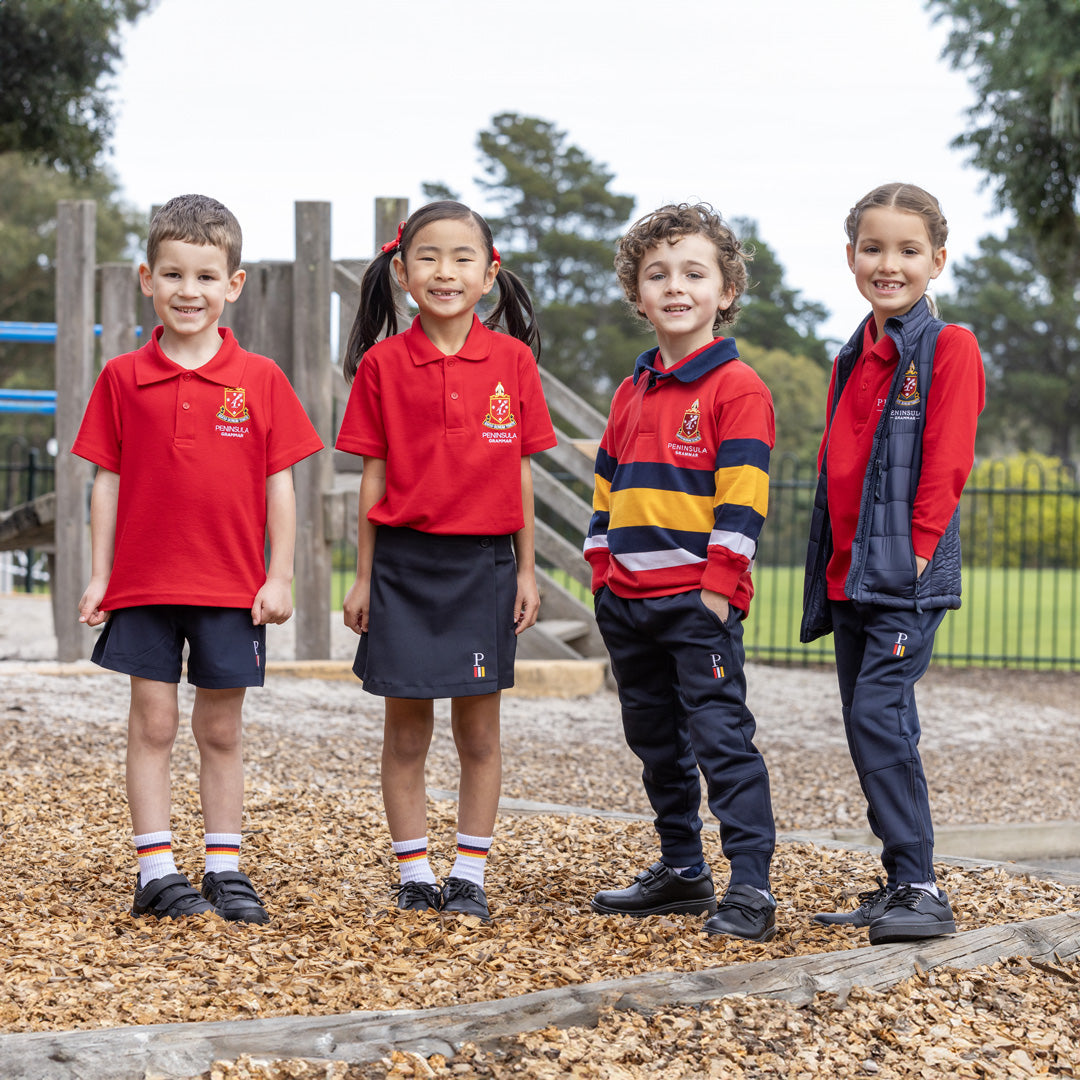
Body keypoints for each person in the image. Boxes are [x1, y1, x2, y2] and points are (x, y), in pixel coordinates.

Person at [73, 194, 323, 923]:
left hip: (231, 585)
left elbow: (282, 486)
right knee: (151, 723)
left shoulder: (263, 379)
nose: (190, 291)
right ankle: (156, 871)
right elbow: (106, 483)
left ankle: (225, 868)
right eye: (174, 275)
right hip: (145, 583)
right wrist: (99, 574)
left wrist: (279, 575)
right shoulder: (122, 377)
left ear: (232, 285)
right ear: (147, 279)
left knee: (220, 728)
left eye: (206, 277)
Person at [335, 200, 556, 923]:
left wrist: (526, 570)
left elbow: (521, 472)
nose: (445, 271)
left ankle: (469, 874)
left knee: (480, 733)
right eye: (428, 256)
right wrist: (363, 575)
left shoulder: (514, 362)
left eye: (463, 257)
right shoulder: (382, 365)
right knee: (405, 732)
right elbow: (372, 476)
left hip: (486, 567)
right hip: (402, 567)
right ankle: (414, 873)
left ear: (489, 275)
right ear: (401, 273)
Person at [584, 204, 778, 942]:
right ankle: (682, 871)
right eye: (657, 274)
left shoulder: (738, 389)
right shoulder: (630, 391)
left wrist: (716, 590)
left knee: (723, 742)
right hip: (627, 601)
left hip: (699, 606)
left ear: (725, 291)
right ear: (637, 295)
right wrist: (602, 568)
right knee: (656, 744)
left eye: (695, 273)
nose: (675, 286)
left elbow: (743, 500)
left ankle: (751, 888)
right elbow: (606, 488)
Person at [802, 182, 985, 944]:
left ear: (936, 260)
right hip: (850, 576)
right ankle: (900, 877)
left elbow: (946, 462)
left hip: (901, 579)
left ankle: (922, 888)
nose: (889, 263)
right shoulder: (855, 354)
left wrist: (912, 556)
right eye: (873, 249)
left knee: (880, 717)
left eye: (908, 250)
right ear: (851, 258)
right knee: (870, 722)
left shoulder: (948, 347)